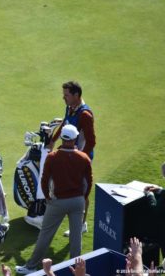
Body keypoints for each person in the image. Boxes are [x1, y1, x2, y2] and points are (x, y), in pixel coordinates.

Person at [16, 124, 93, 274]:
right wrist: (83, 197)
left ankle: (31, 266)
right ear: (74, 138)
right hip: (77, 201)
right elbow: (89, 181)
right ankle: (77, 271)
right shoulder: (84, 157)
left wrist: (47, 197)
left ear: (63, 138)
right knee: (76, 238)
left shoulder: (52, 157)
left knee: (45, 234)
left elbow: (44, 180)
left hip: (57, 201)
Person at [48, 81, 96, 237]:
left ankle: (81, 224)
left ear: (76, 95)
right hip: (68, 156)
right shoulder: (70, 108)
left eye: (66, 95)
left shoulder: (85, 115)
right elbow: (65, 122)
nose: (64, 98)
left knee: (82, 193)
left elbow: (91, 141)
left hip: (81, 160)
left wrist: (80, 159)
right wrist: (53, 140)